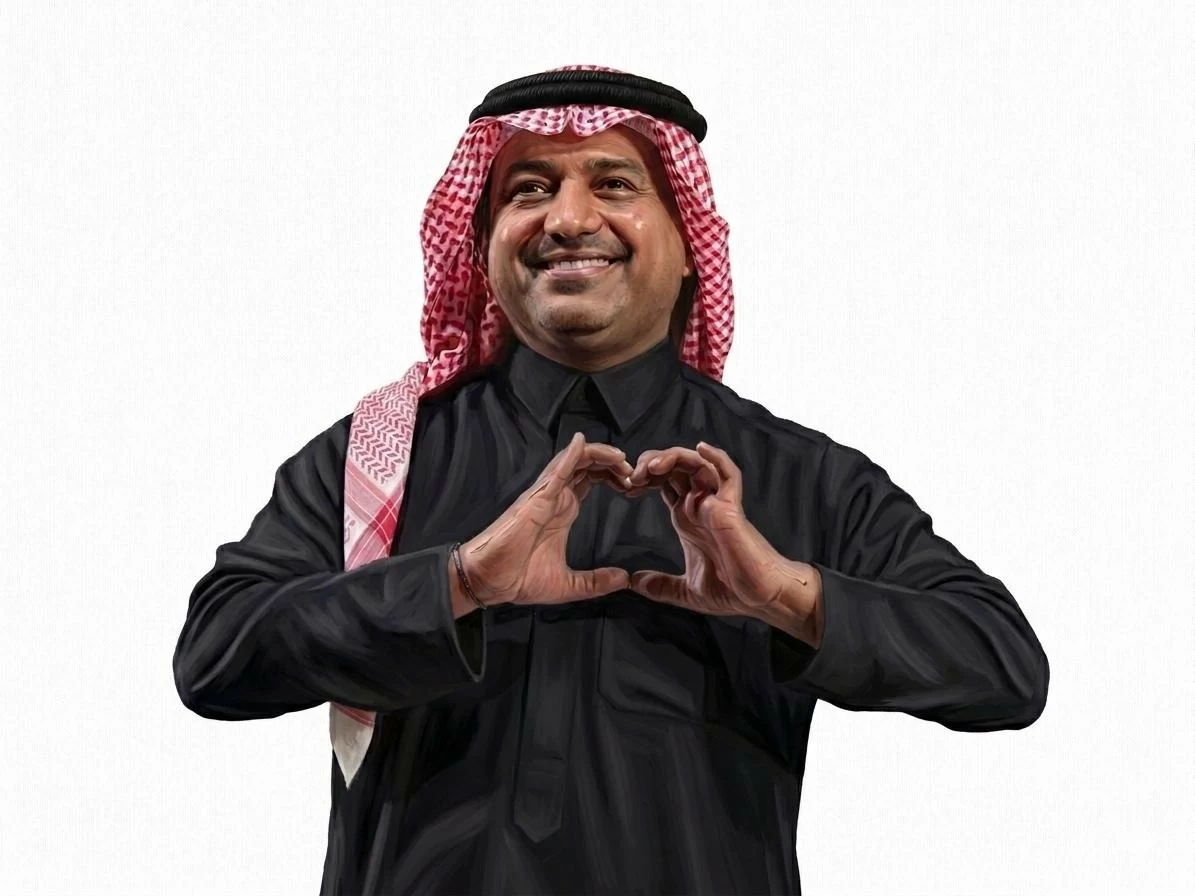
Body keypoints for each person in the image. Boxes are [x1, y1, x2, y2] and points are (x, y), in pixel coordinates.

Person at [173, 66, 1049, 895]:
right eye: (528, 190)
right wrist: (457, 583)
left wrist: (784, 595)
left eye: (615, 183)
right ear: (479, 248)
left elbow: (1003, 667)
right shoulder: (378, 458)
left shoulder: (798, 475)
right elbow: (215, 656)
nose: (567, 219)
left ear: (690, 244)